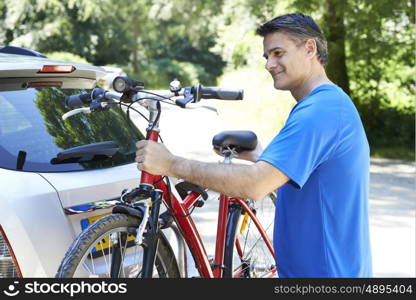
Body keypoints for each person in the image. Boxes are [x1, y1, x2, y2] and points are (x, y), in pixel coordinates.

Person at [135, 13, 372, 278]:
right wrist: (260, 156)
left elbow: (256, 184)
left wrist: (170, 163)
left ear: (309, 48)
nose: (270, 64)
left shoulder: (320, 111)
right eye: (266, 57)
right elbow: (316, 184)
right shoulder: (328, 103)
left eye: (278, 53)